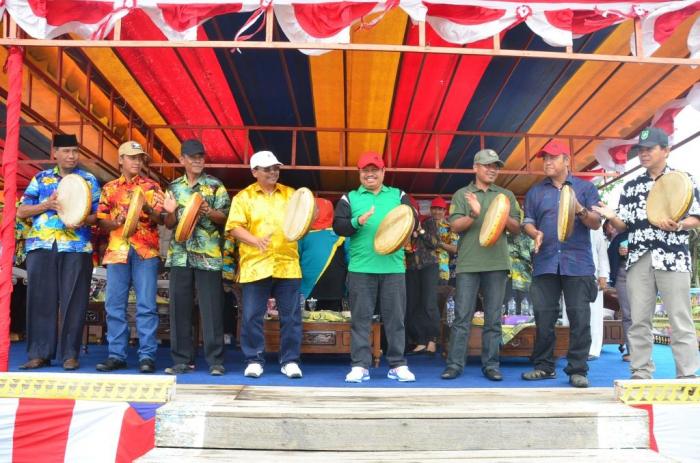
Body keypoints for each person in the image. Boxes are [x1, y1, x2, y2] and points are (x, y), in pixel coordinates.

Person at [594, 127, 700, 379]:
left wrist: (680, 225)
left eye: (649, 149)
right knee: (638, 318)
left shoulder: (684, 179)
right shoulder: (631, 186)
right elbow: (623, 226)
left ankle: (687, 375)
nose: (643, 154)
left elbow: (697, 217)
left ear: (666, 150)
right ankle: (640, 372)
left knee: (680, 318)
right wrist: (612, 216)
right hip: (638, 257)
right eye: (640, 150)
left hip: (673, 258)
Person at [521, 140, 602, 388]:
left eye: (553, 158)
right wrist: (535, 233)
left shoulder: (586, 188)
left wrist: (579, 209)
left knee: (580, 318)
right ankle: (544, 366)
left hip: (577, 263)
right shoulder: (536, 192)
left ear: (567, 160)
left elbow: (596, 223)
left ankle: (578, 370)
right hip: (545, 261)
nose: (547, 162)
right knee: (543, 317)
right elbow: (527, 222)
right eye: (544, 158)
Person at [17, 133, 100, 370]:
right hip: (42, 245)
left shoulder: (88, 180)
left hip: (76, 246)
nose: (71, 156)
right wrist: (47, 205)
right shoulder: (41, 178)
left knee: (74, 300)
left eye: (75, 151)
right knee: (40, 299)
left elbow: (97, 215)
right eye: (66, 151)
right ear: (55, 153)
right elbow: (21, 211)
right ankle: (39, 353)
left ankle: (69, 355)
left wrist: (81, 218)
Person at [333, 151, 417, 383]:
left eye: (374, 170)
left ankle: (397, 365)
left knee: (396, 319)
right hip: (361, 268)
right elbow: (338, 226)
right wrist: (357, 221)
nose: (370, 174)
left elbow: (413, 218)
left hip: (393, 268)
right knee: (360, 319)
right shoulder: (349, 198)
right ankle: (360, 366)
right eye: (365, 170)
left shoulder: (398, 195)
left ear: (383, 172)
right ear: (359, 173)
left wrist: (408, 224)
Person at [440, 149, 520, 381]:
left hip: (497, 263)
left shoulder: (505, 195)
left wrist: (503, 214)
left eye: (496, 166)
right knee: (462, 317)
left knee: (493, 318)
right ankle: (455, 365)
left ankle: (491, 365)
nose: (492, 170)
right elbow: (455, 227)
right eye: (487, 165)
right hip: (468, 264)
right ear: (475, 167)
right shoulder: (462, 194)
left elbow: (516, 229)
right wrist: (474, 214)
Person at [226, 151, 303, 379]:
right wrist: (255, 240)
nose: (273, 172)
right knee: (251, 315)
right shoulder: (243, 197)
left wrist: (310, 216)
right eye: (267, 169)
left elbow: (304, 219)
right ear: (254, 172)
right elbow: (234, 227)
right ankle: (254, 359)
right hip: (255, 264)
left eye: (275, 168)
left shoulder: (291, 194)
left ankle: (290, 360)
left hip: (287, 263)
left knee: (291, 317)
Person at [162, 139, 230, 376]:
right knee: (179, 308)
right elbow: (169, 223)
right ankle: (182, 360)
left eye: (201, 156)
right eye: (193, 157)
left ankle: (215, 361)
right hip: (180, 256)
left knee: (211, 308)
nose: (198, 160)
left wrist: (208, 212)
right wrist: (171, 212)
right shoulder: (173, 187)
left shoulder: (215, 186)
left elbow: (226, 218)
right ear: (182, 160)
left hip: (207, 255)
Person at [95, 141, 164, 374]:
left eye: (140, 158)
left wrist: (148, 209)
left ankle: (147, 357)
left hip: (146, 250)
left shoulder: (152, 186)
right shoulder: (109, 188)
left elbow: (162, 219)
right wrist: (115, 223)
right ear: (121, 160)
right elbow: (101, 220)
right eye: (132, 157)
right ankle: (117, 356)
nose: (137, 161)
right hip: (118, 250)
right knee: (114, 305)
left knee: (146, 305)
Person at [297, 197, 349, 311]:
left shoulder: (302, 236)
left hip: (312, 290)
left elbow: (296, 259)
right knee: (333, 319)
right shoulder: (343, 235)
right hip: (333, 290)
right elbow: (350, 260)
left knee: (311, 319)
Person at [405, 197, 441, 356]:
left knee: (429, 303)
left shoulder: (428, 222)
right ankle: (420, 341)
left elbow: (435, 243)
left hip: (429, 266)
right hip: (411, 268)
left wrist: (420, 230)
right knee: (413, 305)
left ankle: (432, 340)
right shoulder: (403, 225)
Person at [605, 221, 631, 361]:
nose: (611, 227)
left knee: (640, 314)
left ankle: (642, 351)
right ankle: (632, 350)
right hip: (622, 273)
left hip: (642, 272)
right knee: (627, 313)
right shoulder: (616, 239)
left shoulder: (638, 230)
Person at [588, 227, 610, 359]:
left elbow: (602, 253)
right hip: (571, 274)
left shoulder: (595, 227)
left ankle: (593, 349)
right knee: (570, 311)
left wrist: (603, 275)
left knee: (594, 314)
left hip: (594, 275)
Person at [431, 197, 458, 285]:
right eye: (434, 208)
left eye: (440, 209)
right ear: (430, 210)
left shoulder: (450, 227)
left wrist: (439, 243)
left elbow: (454, 249)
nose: (437, 212)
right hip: (425, 269)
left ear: (444, 211)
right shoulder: (424, 225)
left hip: (442, 269)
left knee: (442, 292)